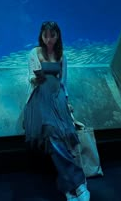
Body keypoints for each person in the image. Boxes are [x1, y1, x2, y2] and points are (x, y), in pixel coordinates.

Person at [23, 21, 90, 201]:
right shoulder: (34, 53)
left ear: (58, 35)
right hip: (40, 99)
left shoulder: (62, 55)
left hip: (58, 99)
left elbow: (64, 83)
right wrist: (35, 78)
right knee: (51, 133)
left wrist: (67, 105)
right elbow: (29, 77)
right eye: (46, 35)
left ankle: (67, 187)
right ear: (41, 36)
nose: (49, 39)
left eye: (52, 35)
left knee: (65, 136)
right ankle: (78, 183)